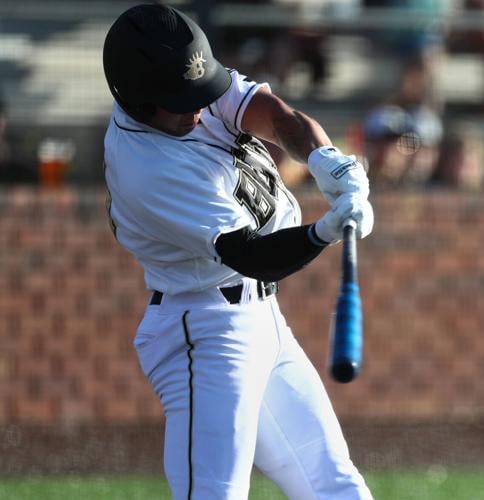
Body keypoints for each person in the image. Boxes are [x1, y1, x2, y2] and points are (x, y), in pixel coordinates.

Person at [102, 4, 374, 500]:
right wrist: (325, 231)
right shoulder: (147, 166)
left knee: (335, 486)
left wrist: (324, 159)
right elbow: (248, 254)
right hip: (204, 333)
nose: (201, 110)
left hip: (262, 319)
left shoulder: (186, 93)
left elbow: (273, 115)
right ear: (141, 102)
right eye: (184, 102)